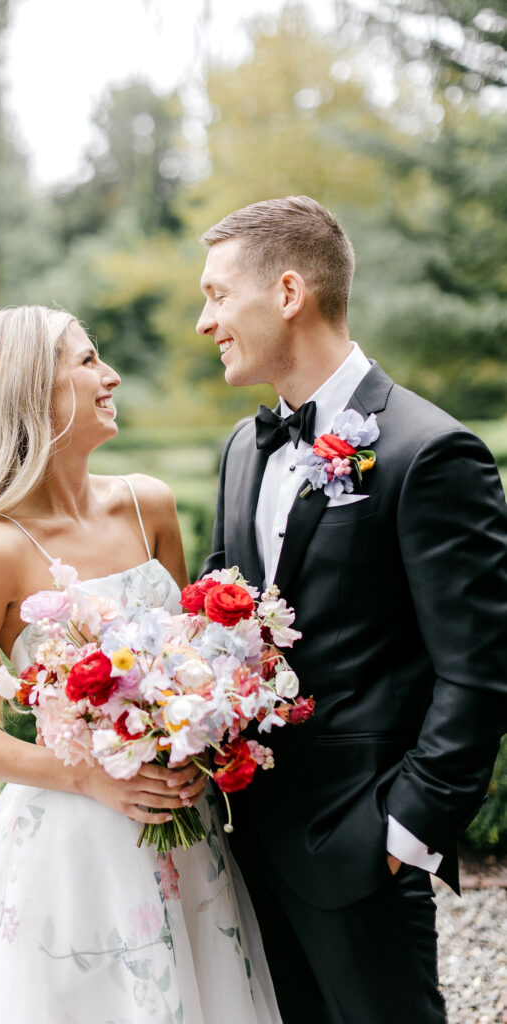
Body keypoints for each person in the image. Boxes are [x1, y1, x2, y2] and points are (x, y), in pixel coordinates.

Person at [0, 306, 282, 1023]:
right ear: (34, 391)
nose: (112, 375)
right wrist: (89, 776)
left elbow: (186, 661)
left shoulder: (147, 505)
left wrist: (197, 734)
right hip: (75, 844)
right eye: (89, 360)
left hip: (184, 829)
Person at [196, 196, 507, 1024]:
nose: (205, 321)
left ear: (289, 292)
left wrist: (406, 831)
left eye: (218, 295)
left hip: (362, 850)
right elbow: (221, 620)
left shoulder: (429, 452)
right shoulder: (239, 448)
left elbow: (480, 672)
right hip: (243, 849)